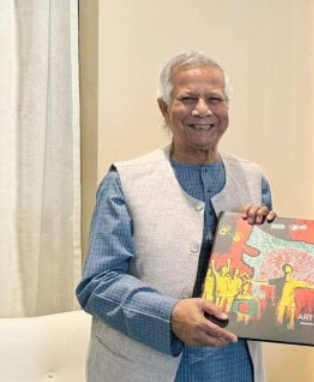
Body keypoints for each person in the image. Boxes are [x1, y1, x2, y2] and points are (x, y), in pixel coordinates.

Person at [76, 50, 276, 382]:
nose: (203, 110)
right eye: (188, 98)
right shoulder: (124, 181)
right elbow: (97, 284)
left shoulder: (254, 180)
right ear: (165, 108)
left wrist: (270, 243)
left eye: (215, 99)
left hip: (233, 366)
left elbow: (266, 287)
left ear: (226, 107)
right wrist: (168, 315)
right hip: (144, 367)